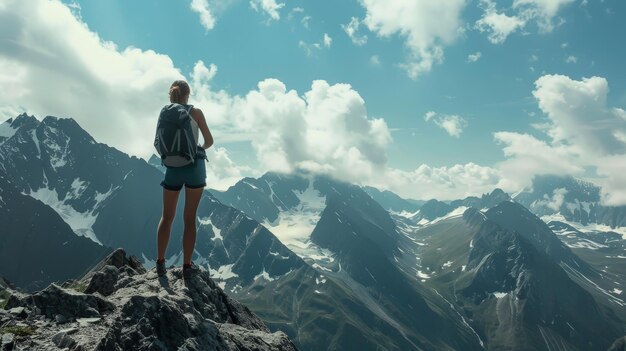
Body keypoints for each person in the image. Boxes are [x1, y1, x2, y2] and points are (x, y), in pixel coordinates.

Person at [156, 80, 213, 279]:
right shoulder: (196, 112)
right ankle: (187, 266)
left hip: (171, 167)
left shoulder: (164, 112)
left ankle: (160, 263)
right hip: (194, 168)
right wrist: (197, 148)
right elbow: (209, 141)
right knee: (189, 218)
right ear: (188, 94)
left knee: (167, 217)